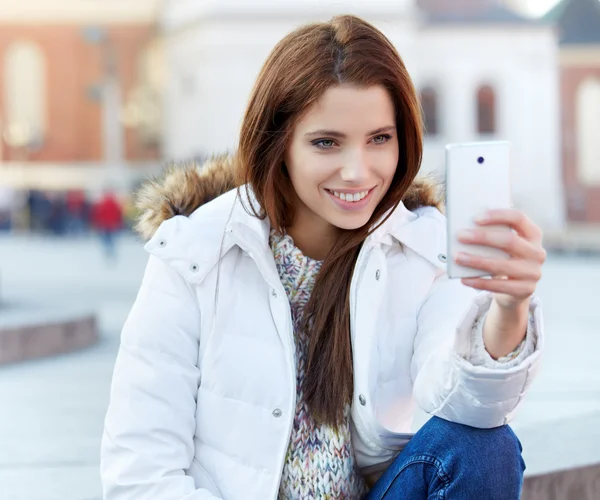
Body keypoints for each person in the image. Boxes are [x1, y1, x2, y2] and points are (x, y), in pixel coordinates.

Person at [101, 15, 545, 500]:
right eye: (326, 142)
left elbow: (462, 402)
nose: (357, 172)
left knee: (486, 447)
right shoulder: (193, 254)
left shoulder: (422, 245)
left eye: (380, 138)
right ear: (278, 144)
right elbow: (141, 473)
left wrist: (509, 307)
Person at [91, 190, 123, 260]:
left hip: (104, 224)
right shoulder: (115, 204)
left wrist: (97, 224)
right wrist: (118, 223)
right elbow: (118, 214)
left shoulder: (101, 204)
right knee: (112, 239)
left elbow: (98, 215)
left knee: (105, 239)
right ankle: (112, 251)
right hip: (112, 224)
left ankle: (107, 251)